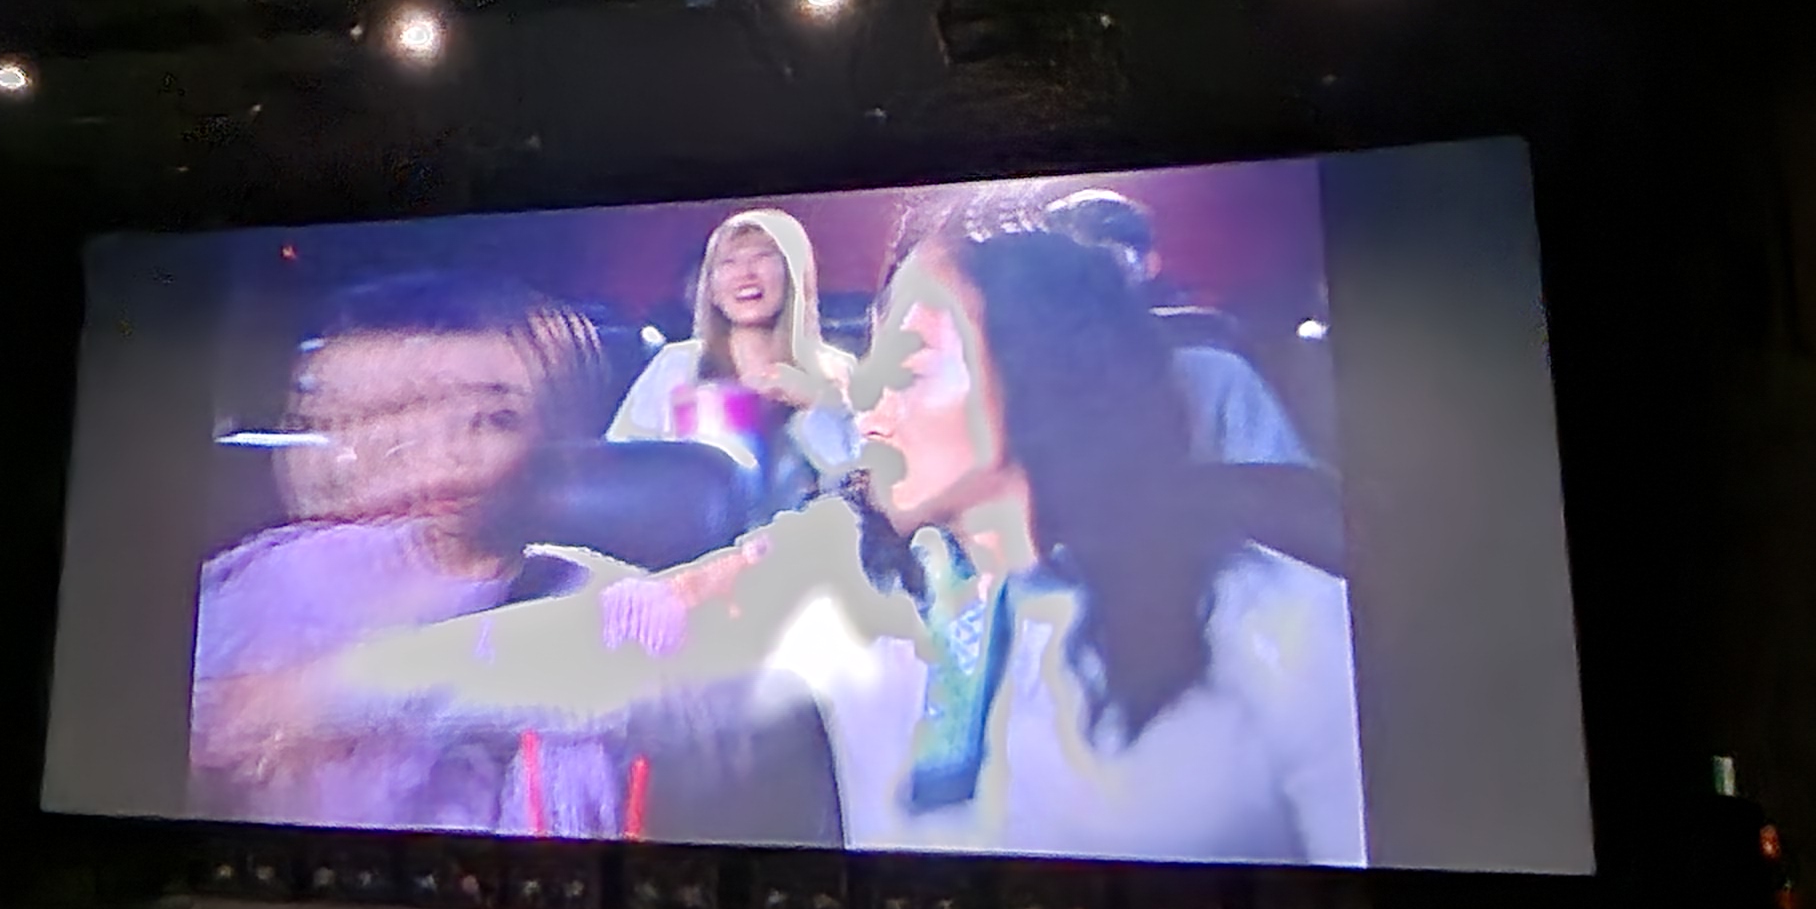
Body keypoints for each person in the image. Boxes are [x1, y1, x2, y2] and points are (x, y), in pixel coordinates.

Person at [237, 215, 1364, 865]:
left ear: (1048, 379)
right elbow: (607, 645)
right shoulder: (846, 570)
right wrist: (328, 686)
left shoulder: (1286, 624)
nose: (869, 393)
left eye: (916, 356)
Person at [187, 269, 625, 834]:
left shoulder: (594, 605)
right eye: (346, 417)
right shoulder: (258, 583)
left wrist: (326, 697)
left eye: (491, 419)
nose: (436, 450)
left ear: (564, 444)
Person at [603, 206, 856, 516]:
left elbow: (858, 489)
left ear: (793, 276)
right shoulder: (676, 364)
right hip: (689, 536)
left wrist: (817, 402)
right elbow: (620, 469)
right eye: (728, 262)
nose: (745, 274)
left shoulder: (835, 369)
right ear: (711, 287)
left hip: (795, 541)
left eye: (762, 257)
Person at [1041, 186, 1312, 466]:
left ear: (1150, 264)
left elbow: (1281, 484)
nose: (1092, 281)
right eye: (1067, 267)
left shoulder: (1217, 376)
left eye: (1108, 262)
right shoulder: (1025, 382)